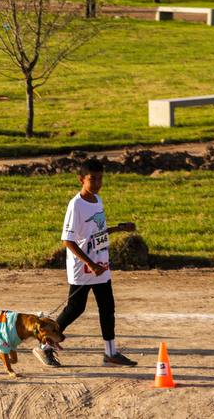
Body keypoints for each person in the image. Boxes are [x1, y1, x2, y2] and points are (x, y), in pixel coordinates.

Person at [33, 157, 137, 368]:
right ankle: (45, 345)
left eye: (100, 179)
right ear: (81, 179)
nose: (97, 183)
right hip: (84, 267)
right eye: (93, 179)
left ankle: (111, 352)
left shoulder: (97, 200)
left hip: (100, 264)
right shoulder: (76, 204)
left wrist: (118, 228)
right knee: (75, 308)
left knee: (107, 306)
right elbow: (68, 241)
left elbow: (95, 232)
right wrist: (90, 263)